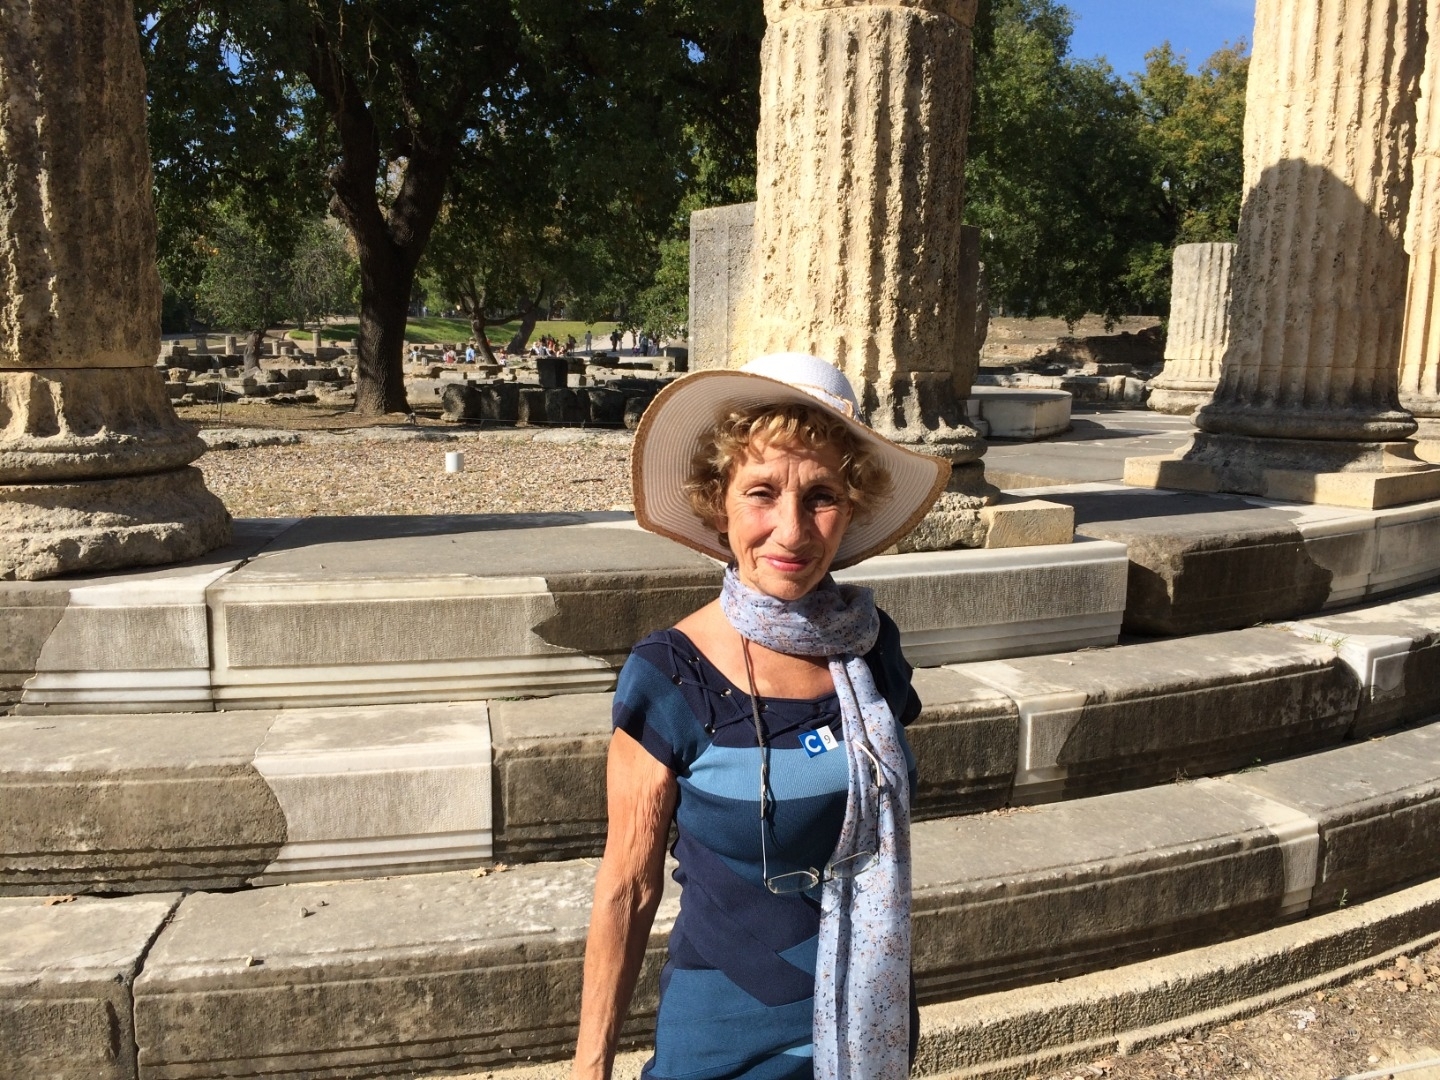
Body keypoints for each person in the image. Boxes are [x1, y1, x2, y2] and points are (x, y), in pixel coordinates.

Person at [573, 353, 950, 1080]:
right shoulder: (671, 674)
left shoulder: (872, 649)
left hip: (867, 1024)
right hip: (724, 1041)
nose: (791, 531)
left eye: (821, 496)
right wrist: (591, 1068)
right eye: (761, 493)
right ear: (718, 503)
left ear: (852, 507)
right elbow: (627, 890)